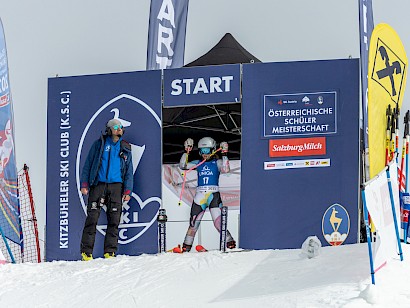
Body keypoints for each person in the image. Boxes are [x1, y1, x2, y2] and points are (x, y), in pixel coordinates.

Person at [80, 118, 133, 261]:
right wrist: (84, 184)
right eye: (116, 127)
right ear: (109, 129)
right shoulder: (99, 145)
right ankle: (86, 252)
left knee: (114, 220)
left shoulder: (125, 147)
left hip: (116, 187)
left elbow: (129, 171)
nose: (119, 129)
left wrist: (128, 191)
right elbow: (87, 165)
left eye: (121, 127)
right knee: (92, 218)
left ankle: (110, 252)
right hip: (98, 185)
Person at [177, 137, 236, 252]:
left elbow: (226, 169)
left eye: (207, 151)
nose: (204, 154)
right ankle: (186, 247)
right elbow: (183, 166)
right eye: (202, 151)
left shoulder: (217, 162)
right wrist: (186, 151)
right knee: (194, 223)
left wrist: (224, 153)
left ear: (213, 149)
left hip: (213, 195)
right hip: (200, 195)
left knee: (218, 223)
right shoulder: (198, 163)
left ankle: (230, 242)